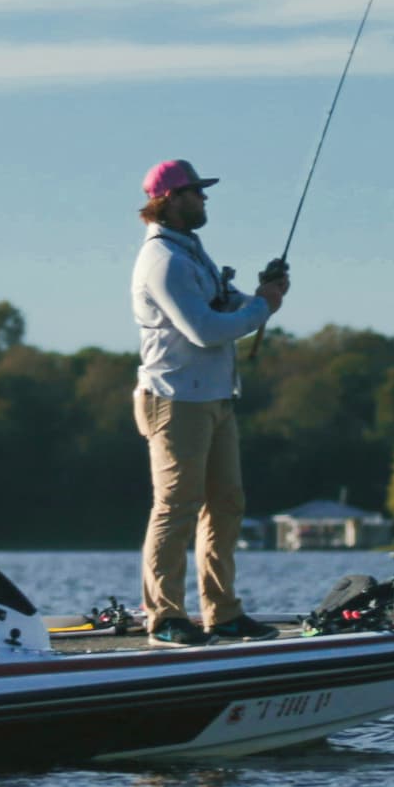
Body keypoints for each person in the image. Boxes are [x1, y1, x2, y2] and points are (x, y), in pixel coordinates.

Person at [131, 158, 290, 645]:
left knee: (226, 504)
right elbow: (204, 331)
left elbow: (229, 305)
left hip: (215, 397)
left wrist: (262, 294)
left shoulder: (190, 252)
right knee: (177, 506)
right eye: (196, 192)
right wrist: (263, 307)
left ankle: (223, 613)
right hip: (176, 400)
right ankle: (165, 617)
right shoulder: (164, 261)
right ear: (171, 199)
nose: (204, 199)